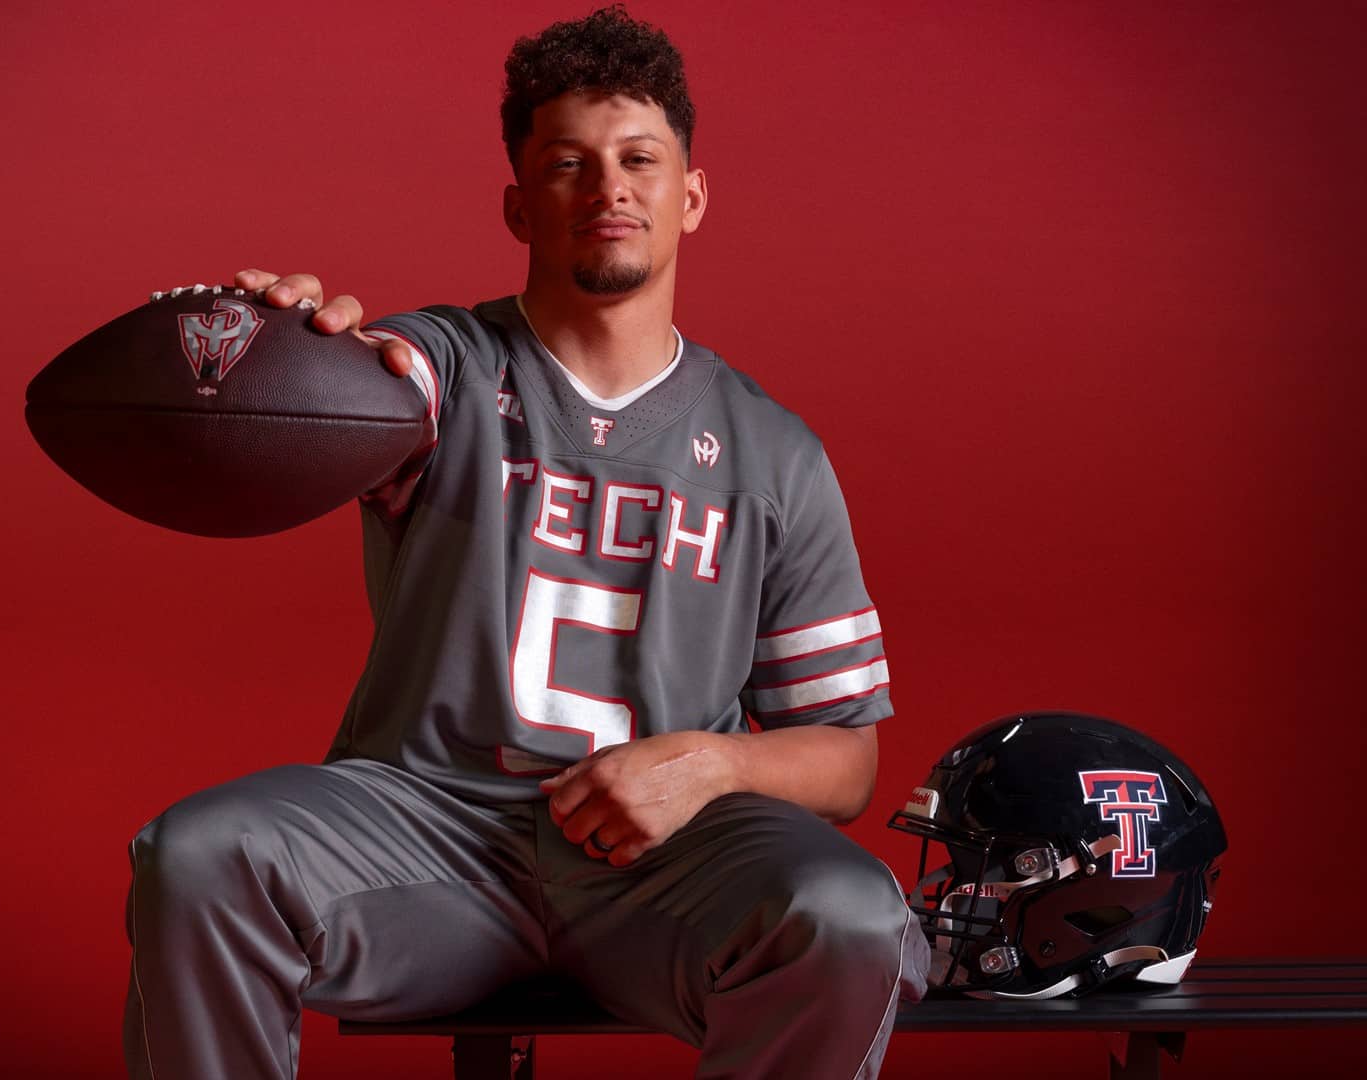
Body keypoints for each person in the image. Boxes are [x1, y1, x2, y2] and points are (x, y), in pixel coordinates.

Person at [122, 7, 930, 1077]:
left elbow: (848, 758)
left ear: (690, 195)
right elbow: (363, 378)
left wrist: (711, 763)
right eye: (568, 164)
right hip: (426, 836)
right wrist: (283, 350)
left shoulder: (775, 454)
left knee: (848, 909)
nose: (610, 190)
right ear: (519, 202)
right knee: (200, 853)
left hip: (664, 868)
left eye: (640, 160)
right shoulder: (441, 366)